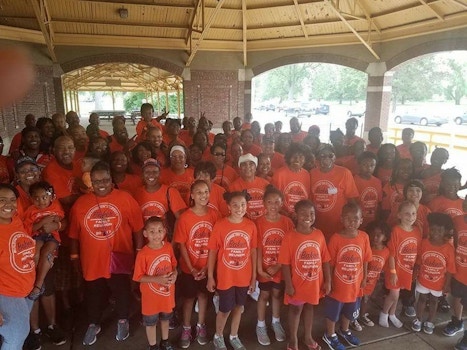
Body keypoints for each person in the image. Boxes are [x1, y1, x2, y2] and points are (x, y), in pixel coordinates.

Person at [69, 161, 144, 345]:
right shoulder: (80, 204)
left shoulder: (125, 198)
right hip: (92, 261)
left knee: (122, 290)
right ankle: (94, 323)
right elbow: (73, 235)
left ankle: (123, 319)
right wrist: (74, 257)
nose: (101, 184)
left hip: (119, 256)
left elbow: (138, 229)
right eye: (96, 181)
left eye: (105, 179)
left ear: (111, 179)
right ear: (91, 183)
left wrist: (139, 252)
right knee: (93, 294)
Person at [207, 191, 257, 350]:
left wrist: (253, 277)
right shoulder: (221, 225)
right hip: (226, 277)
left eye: (243, 204)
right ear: (228, 207)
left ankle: (234, 336)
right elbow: (213, 251)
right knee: (224, 309)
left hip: (244, 276)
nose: (239, 208)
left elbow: (253, 251)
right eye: (235, 205)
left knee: (239, 308)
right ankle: (218, 336)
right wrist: (210, 276)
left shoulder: (250, 225)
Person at [173, 180, 220, 348]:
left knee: (203, 295)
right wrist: (191, 268)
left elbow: (216, 244)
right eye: (199, 192)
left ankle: (200, 326)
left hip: (208, 266)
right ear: (192, 195)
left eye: (206, 191)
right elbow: (182, 245)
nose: (203, 195)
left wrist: (207, 267)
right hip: (189, 268)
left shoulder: (214, 214)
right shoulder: (185, 217)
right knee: (188, 298)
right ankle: (187, 327)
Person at [278, 199, 330, 350]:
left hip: (314, 283)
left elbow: (325, 260)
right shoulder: (289, 236)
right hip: (296, 283)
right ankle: (293, 339)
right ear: (295, 215)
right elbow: (285, 263)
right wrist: (288, 284)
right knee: (295, 309)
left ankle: (308, 336)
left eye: (312, 213)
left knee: (309, 308)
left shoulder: (319, 234)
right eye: (304, 213)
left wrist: (328, 281)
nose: (308, 216)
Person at [322, 202, 371, 350]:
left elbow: (366, 259)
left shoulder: (364, 237)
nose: (352, 222)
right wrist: (329, 282)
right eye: (348, 218)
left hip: (355, 285)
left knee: (350, 309)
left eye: (355, 218)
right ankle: (329, 335)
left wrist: (364, 277)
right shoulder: (336, 238)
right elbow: (329, 263)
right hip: (338, 285)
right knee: (333, 311)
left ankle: (344, 330)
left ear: (361, 220)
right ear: (341, 219)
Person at [255, 185, 294, 346]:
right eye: (269, 202)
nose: (273, 205)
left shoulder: (287, 223)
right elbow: (256, 248)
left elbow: (291, 248)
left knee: (277, 294)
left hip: (280, 268)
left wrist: (278, 265)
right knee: (264, 295)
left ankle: (276, 322)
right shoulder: (258, 223)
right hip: (264, 268)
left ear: (282, 203)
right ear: (264, 203)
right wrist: (259, 269)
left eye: (277, 202)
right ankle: (261, 324)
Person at [0, 183, 36, 349]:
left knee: (17, 336)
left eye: (12, 200)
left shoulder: (15, 220)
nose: (9, 204)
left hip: (24, 290)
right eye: (2, 200)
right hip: (7, 293)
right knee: (16, 336)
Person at [133, 217, 177, 350]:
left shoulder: (168, 247)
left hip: (166, 295)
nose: (156, 235)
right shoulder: (143, 254)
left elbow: (174, 265)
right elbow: (138, 277)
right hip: (151, 299)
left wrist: (175, 275)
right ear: (145, 233)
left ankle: (165, 342)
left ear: (164, 231)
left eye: (159, 231)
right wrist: (157, 280)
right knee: (151, 323)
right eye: (152, 232)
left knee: (165, 319)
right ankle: (153, 346)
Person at [411, 213, 456, 335]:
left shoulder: (448, 248)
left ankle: (430, 321)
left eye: (439, 230)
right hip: (423, 279)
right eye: (433, 229)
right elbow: (419, 261)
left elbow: (451, 270)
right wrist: (414, 274)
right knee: (421, 299)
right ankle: (418, 319)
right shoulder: (424, 243)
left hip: (438, 283)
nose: (435, 232)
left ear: (445, 231)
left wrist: (447, 285)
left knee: (434, 301)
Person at [380, 201, 421, 328]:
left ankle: (392, 314)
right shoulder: (396, 231)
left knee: (398, 294)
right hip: (394, 269)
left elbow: (416, 251)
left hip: (406, 270)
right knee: (393, 294)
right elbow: (391, 254)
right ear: (399, 215)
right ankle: (384, 314)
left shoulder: (416, 231)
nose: (411, 217)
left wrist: (414, 270)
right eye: (407, 214)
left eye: (413, 213)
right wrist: (392, 272)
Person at [24, 181, 65, 300]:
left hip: (52, 237)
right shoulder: (30, 210)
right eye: (37, 198)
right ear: (31, 199)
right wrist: (42, 222)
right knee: (35, 254)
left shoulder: (55, 205)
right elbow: (28, 229)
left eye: (44, 197)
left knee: (46, 254)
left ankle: (38, 284)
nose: (41, 201)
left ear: (50, 196)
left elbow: (61, 217)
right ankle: (32, 280)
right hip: (37, 236)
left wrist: (56, 220)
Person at [309, 145, 359, 240]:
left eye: (330, 155)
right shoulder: (312, 173)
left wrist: (351, 223)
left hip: (339, 226)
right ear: (317, 158)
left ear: (335, 157)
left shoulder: (344, 173)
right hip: (317, 225)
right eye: (323, 155)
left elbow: (351, 201)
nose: (327, 158)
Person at [354, 221, 390, 330]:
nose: (375, 237)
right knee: (357, 300)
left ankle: (362, 315)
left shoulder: (386, 251)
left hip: (372, 282)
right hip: (361, 280)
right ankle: (353, 318)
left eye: (379, 235)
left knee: (366, 299)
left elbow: (384, 267)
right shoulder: (367, 248)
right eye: (373, 234)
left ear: (385, 237)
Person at [445, 197, 467, 348]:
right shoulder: (458, 220)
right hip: (459, 270)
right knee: (456, 298)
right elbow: (457, 241)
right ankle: (457, 321)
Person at [272, 143, 311, 216]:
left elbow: (307, 197)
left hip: (301, 216)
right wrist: (286, 214)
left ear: (305, 160)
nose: (297, 159)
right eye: (294, 156)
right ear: (289, 157)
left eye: (301, 157)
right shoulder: (279, 174)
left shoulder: (307, 174)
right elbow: (274, 198)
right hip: (282, 215)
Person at [229, 153, 269, 220]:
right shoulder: (233, 187)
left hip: (264, 223)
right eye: (244, 164)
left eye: (251, 164)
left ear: (256, 167)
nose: (248, 167)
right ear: (240, 168)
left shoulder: (266, 184)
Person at [353, 151, 382, 229]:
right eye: (365, 165)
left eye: (372, 165)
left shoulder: (377, 182)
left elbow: (379, 203)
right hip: (357, 223)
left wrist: (377, 221)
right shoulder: (353, 181)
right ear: (359, 165)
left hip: (373, 223)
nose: (368, 168)